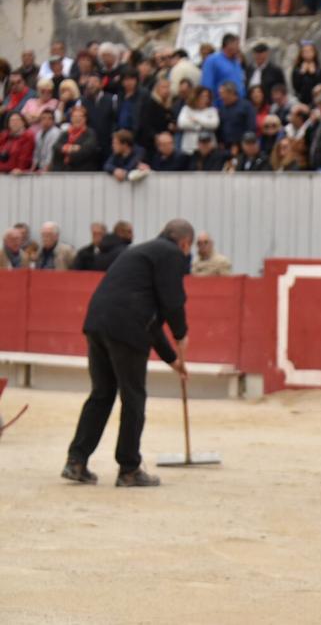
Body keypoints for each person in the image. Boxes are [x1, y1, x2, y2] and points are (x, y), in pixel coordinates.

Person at [62, 219, 192, 487]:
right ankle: (129, 468)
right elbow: (172, 302)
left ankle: (76, 461)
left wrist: (173, 361)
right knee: (133, 397)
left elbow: (150, 320)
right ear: (184, 243)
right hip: (126, 327)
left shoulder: (142, 252)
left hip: (98, 322)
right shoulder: (171, 255)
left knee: (101, 394)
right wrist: (181, 334)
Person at [200, 34, 245, 105]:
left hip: (238, 107)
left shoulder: (237, 62)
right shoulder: (212, 60)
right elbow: (206, 86)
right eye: (237, 45)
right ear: (229, 45)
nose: (238, 48)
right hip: (220, 107)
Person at [51, 106, 99, 172]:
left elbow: (87, 149)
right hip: (65, 171)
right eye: (74, 117)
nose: (77, 119)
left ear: (85, 119)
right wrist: (69, 148)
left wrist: (68, 154)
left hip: (84, 171)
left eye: (80, 117)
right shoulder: (66, 133)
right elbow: (55, 146)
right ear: (71, 119)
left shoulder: (90, 133)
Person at [177, 85, 219, 155]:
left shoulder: (212, 110)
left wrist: (196, 119)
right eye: (202, 96)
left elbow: (214, 124)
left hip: (208, 148)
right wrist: (201, 127)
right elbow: (182, 123)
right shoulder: (186, 109)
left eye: (207, 96)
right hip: (190, 147)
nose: (205, 99)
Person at [291, 41, 321, 106]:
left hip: (317, 100)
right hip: (302, 101)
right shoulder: (296, 69)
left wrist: (314, 74)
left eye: (310, 51)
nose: (307, 53)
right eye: (305, 51)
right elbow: (295, 87)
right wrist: (301, 74)